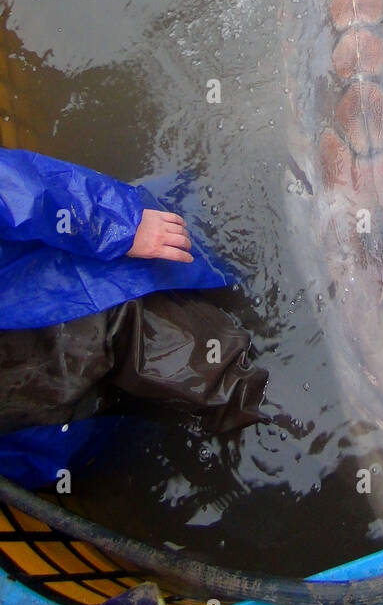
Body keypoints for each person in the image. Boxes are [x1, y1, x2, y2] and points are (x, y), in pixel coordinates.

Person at [0, 147, 267, 485]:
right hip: (44, 427)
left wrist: (118, 225)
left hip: (69, 303)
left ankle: (299, 426)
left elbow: (15, 188)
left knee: (228, 379)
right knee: (143, 426)